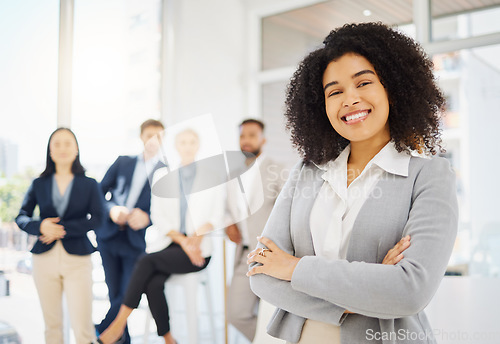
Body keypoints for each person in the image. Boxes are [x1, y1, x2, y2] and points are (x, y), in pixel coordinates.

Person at [247, 22, 458, 344]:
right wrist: (366, 293)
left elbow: (409, 290)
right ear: (322, 106)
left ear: (394, 88)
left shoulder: (429, 176)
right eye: (335, 91)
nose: (350, 99)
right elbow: (261, 272)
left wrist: (293, 269)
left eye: (364, 83)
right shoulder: (307, 172)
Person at [97, 128, 224, 344]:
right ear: (175, 146)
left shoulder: (212, 175)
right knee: (153, 283)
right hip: (172, 243)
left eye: (192, 141)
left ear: (198, 145)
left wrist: (196, 238)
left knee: (146, 262)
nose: (187, 146)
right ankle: (168, 338)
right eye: (182, 142)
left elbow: (218, 214)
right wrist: (183, 240)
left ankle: (117, 327)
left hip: (198, 249)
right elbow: (159, 216)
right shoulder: (162, 175)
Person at [16, 128, 104, 344]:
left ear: (76, 149)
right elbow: (21, 217)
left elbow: (99, 218)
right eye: (57, 144)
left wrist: (62, 229)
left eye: (67, 143)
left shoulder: (89, 184)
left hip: (78, 260)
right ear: (50, 151)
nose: (62, 148)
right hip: (44, 259)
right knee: (52, 327)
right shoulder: (39, 183)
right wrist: (41, 226)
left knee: (82, 327)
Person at [95, 119, 165, 343]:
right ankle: (122, 339)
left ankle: (101, 330)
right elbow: (98, 192)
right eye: (149, 135)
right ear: (142, 137)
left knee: (126, 295)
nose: (153, 140)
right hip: (109, 236)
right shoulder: (122, 162)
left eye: (159, 136)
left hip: (135, 242)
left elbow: (167, 211)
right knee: (113, 293)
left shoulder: (166, 172)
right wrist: (112, 209)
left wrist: (148, 218)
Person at [225, 119, 286, 341]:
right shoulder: (233, 174)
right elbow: (228, 210)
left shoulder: (277, 169)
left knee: (272, 315)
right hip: (244, 254)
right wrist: (229, 223)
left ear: (263, 140)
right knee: (236, 314)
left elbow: (289, 209)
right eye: (242, 136)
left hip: (271, 255)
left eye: (252, 135)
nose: (246, 140)